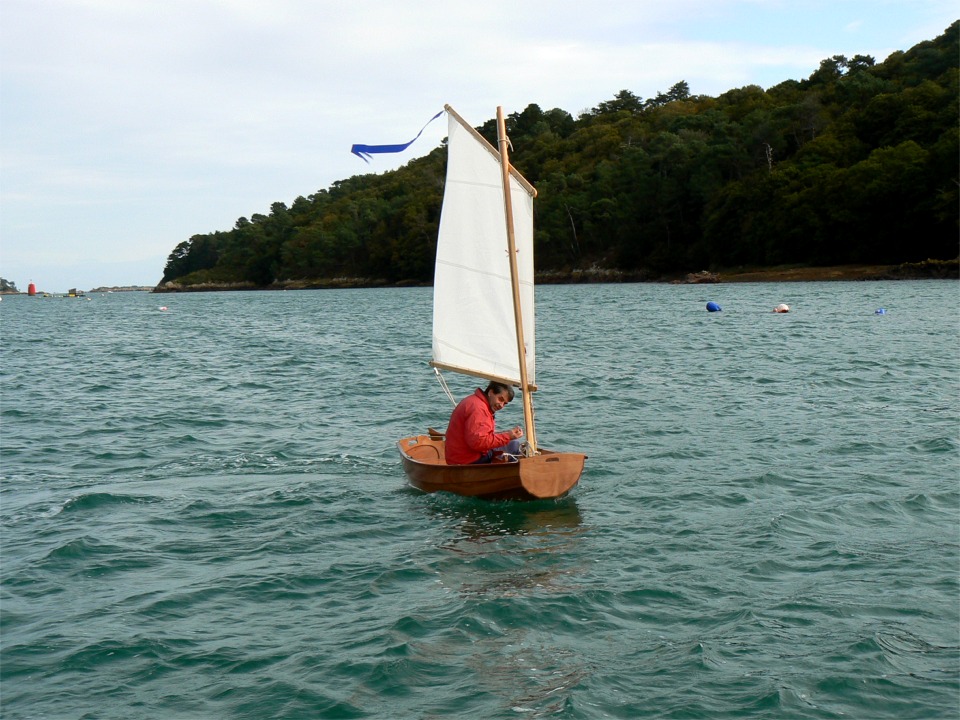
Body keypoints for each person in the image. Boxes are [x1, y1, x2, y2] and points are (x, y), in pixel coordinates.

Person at [444, 381, 524, 465]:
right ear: (490, 392)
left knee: (509, 444)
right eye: (500, 399)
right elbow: (478, 442)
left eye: (505, 403)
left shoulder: (475, 401)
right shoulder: (480, 409)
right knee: (514, 445)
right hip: (467, 460)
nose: (501, 405)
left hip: (457, 456)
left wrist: (507, 435)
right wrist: (508, 436)